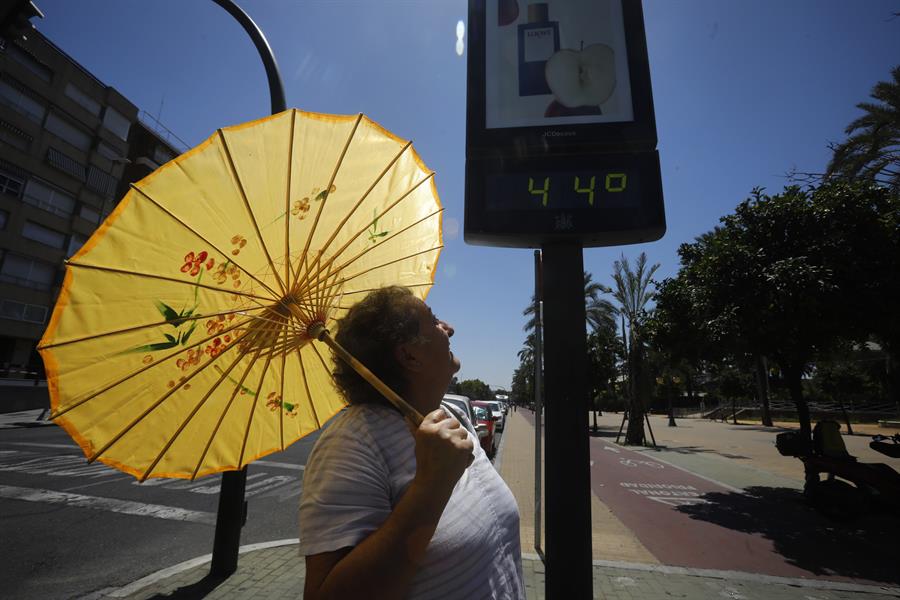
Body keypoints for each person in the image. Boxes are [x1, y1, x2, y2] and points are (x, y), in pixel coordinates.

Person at [299, 286, 525, 599]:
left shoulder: (450, 412)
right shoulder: (351, 444)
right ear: (409, 355)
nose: (450, 328)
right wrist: (431, 485)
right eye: (433, 321)